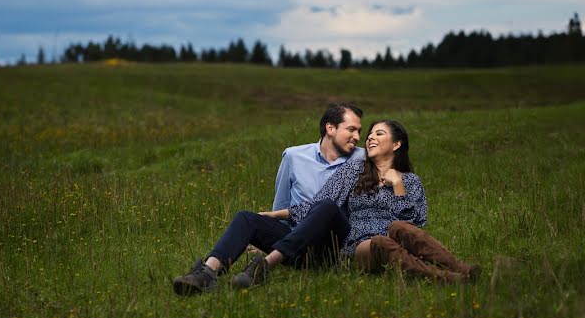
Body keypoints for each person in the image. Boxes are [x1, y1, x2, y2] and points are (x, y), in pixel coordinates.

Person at [172, 119, 478, 294]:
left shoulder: (411, 181)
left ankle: (459, 272)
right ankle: (209, 274)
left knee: (396, 229)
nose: (369, 138)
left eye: (378, 134)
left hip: (387, 235)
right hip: (350, 243)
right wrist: (274, 215)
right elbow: (319, 206)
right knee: (249, 218)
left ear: (396, 144)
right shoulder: (353, 171)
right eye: (368, 134)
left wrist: (397, 184)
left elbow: (415, 223)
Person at [271, 103, 366, 212]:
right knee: (248, 219)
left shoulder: (364, 158)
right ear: (330, 128)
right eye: (351, 129)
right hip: (298, 227)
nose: (357, 137)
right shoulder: (293, 156)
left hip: (340, 227)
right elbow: (281, 204)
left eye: (359, 131)